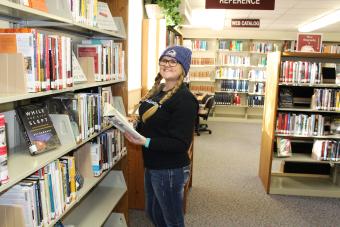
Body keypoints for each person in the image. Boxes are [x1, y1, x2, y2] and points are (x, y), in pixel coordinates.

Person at [125, 46, 198, 227]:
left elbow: (180, 143)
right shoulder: (158, 91)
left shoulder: (185, 99)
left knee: (171, 220)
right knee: (152, 212)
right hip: (153, 163)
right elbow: (152, 123)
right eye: (164, 60)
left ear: (183, 67)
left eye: (173, 61)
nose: (167, 64)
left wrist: (145, 141)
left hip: (170, 169)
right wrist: (133, 124)